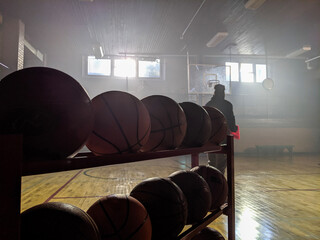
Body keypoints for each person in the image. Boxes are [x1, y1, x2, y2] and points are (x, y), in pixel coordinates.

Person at [205, 84, 238, 174]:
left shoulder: (209, 104)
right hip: (222, 134)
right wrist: (234, 128)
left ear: (215, 92)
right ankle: (219, 182)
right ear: (223, 92)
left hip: (211, 135)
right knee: (221, 163)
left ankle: (211, 181)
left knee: (211, 161)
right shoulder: (227, 105)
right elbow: (231, 119)